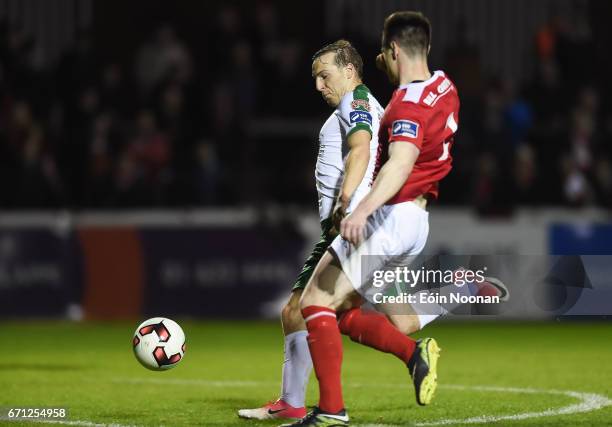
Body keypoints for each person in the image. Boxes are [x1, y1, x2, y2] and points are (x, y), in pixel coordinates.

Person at [283, 11, 461, 426]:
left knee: (310, 303)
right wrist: (390, 63)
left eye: (324, 76)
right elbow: (409, 90)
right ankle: (450, 307)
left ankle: (329, 410)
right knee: (366, 316)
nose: (318, 85)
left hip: (386, 217)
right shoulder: (444, 87)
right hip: (416, 223)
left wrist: (357, 207)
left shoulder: (401, 105)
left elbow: (393, 161)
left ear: (393, 49)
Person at [238, 39, 384, 421]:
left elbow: (362, 148)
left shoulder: (356, 102)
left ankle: (310, 404)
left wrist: (345, 199)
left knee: (305, 309)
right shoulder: (354, 104)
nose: (318, 85)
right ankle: (297, 402)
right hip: (347, 223)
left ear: (349, 72)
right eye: (315, 78)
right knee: (315, 313)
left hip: (347, 223)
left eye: (324, 75)